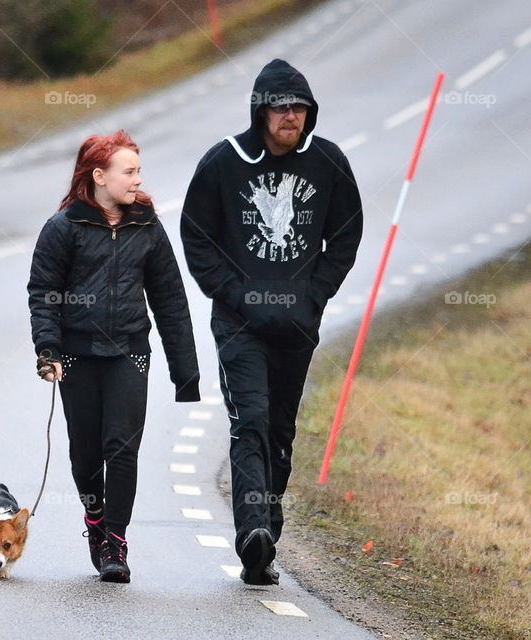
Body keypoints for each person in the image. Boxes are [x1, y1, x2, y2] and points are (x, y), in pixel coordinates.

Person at [180, 59, 363, 585]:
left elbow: (346, 236)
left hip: (297, 327)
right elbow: (197, 236)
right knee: (251, 422)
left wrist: (315, 296)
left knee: (281, 430)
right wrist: (235, 294)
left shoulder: (328, 163)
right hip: (240, 327)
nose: (291, 117)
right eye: (282, 107)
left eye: (300, 108)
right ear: (261, 111)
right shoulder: (224, 162)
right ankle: (251, 534)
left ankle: (268, 538)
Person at [28, 130, 201, 583]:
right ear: (99, 176)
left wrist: (186, 373)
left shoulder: (147, 226)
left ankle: (116, 543)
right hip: (78, 356)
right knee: (85, 456)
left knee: (122, 449)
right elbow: (43, 295)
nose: (138, 180)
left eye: (139, 171)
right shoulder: (63, 228)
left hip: (130, 352)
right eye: (130, 171)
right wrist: (48, 349)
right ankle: (95, 518)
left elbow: (170, 300)